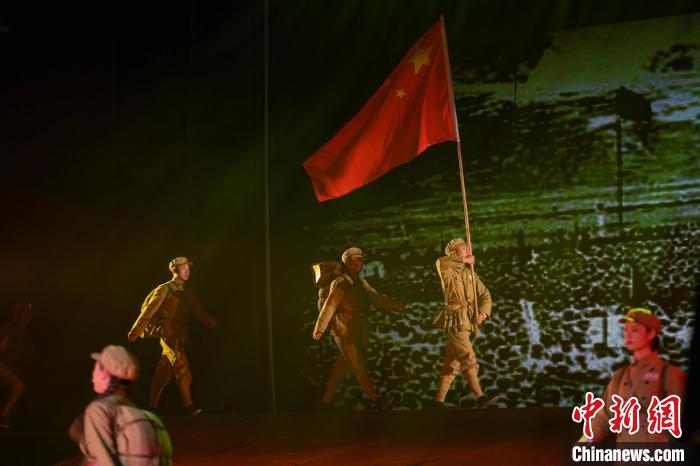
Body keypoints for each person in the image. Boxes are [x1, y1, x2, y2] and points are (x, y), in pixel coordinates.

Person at [312, 247, 404, 410]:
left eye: (362, 260)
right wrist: (320, 327)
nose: (361, 263)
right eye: (358, 259)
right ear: (348, 261)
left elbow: (375, 296)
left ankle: (324, 403)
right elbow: (330, 304)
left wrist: (395, 304)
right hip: (343, 329)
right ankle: (377, 400)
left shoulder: (358, 282)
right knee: (357, 365)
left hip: (353, 328)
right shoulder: (341, 282)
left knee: (340, 369)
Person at [128, 257, 218, 415]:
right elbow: (148, 311)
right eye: (184, 268)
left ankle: (151, 407)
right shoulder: (164, 289)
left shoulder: (189, 290)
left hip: (181, 335)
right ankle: (189, 406)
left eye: (188, 268)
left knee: (163, 373)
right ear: (174, 270)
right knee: (181, 366)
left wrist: (212, 321)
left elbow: (198, 309)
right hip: (168, 335)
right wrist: (135, 331)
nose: (187, 271)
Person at [584, 308, 686, 443]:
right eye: (625, 330)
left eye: (634, 330)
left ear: (651, 334)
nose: (628, 335)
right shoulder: (620, 375)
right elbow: (604, 417)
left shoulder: (670, 374)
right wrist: (585, 442)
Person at [69, 345, 172, 465]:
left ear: (105, 374)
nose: (92, 377)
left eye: (95, 368)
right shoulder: (150, 418)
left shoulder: (99, 410)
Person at [432, 238, 499, 408]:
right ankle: (480, 397)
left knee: (452, 364)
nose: (468, 249)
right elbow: (441, 261)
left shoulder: (470, 273)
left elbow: (484, 294)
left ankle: (438, 402)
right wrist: (464, 259)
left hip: (468, 320)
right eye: (463, 247)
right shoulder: (446, 268)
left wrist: (483, 313)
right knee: (468, 358)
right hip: (455, 319)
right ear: (453, 252)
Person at [0, 301, 33, 428]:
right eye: (25, 314)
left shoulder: (22, 333)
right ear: (18, 314)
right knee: (18, 386)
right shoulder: (11, 328)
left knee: (17, 386)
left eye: (29, 314)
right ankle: (3, 417)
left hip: (6, 367)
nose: (28, 317)